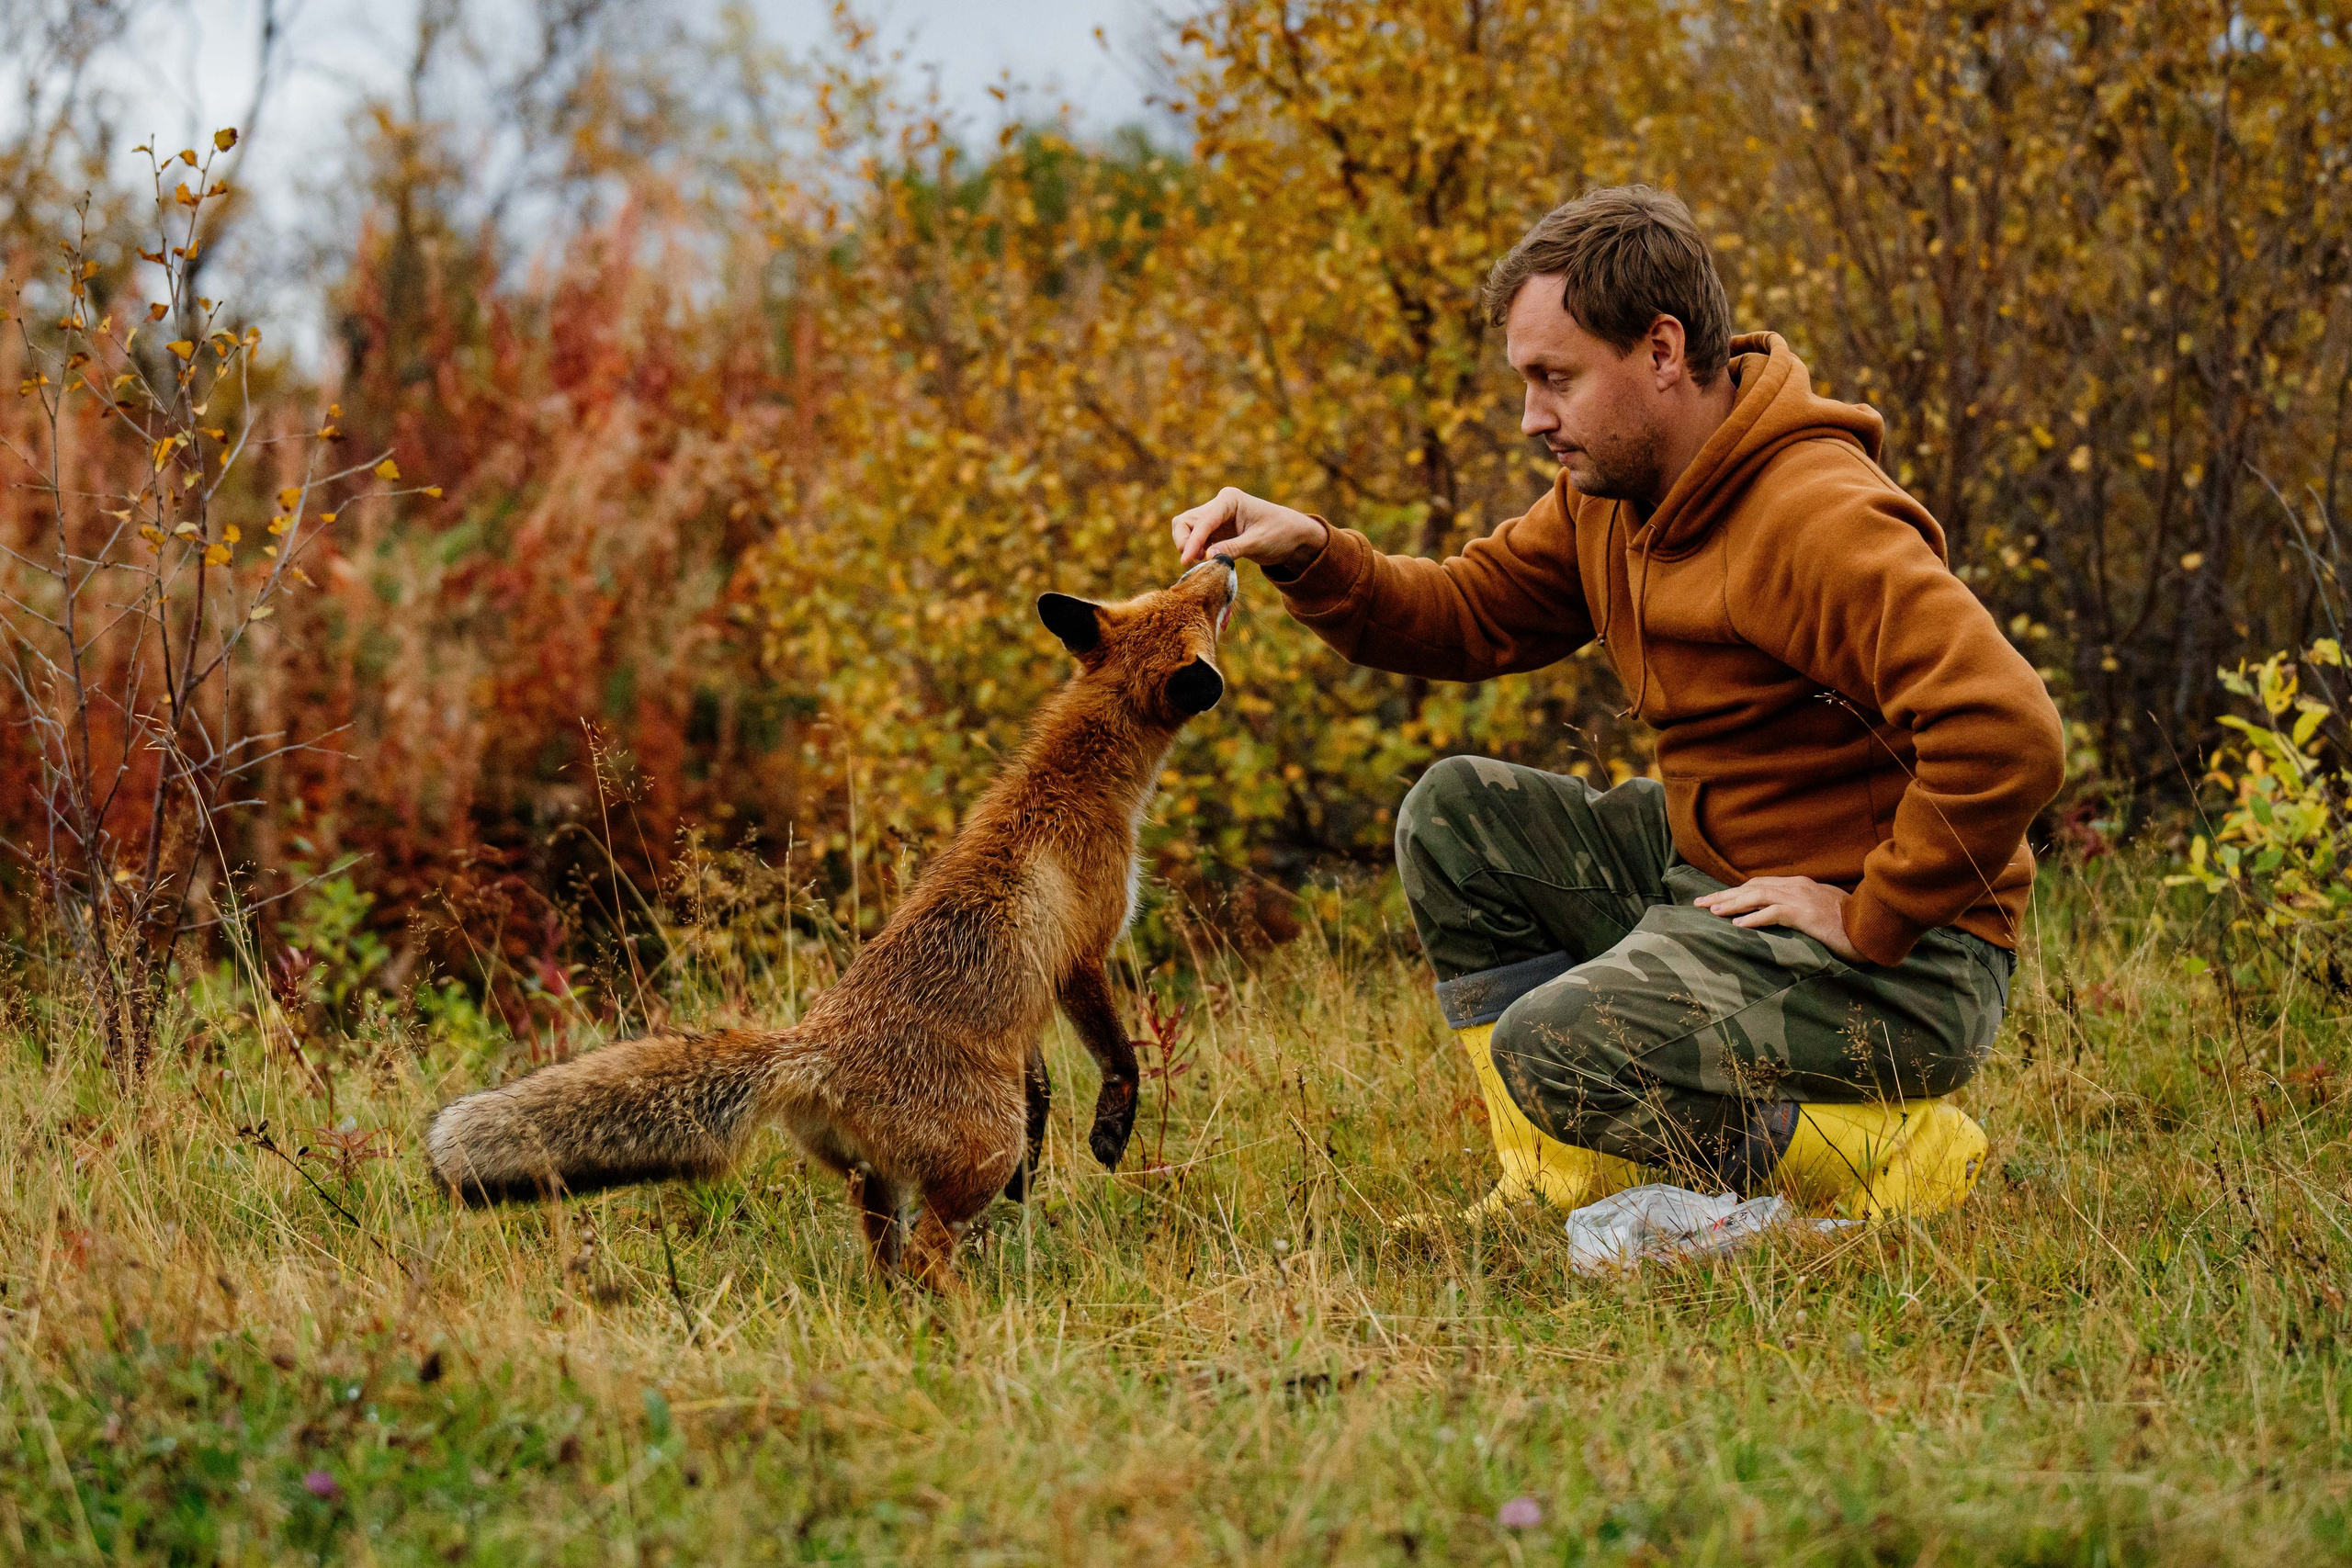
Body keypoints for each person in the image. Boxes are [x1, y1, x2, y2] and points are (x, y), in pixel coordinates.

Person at [1171, 186, 2065, 1222]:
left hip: (1907, 969)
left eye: (1555, 378)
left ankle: (1892, 1153)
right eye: (1526, 381)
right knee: (1458, 816)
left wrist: (1875, 915)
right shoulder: (1614, 498)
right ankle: (1552, 1171)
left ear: (1661, 350)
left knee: (1556, 1049)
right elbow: (1467, 613)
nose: (1532, 417)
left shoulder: (1815, 517)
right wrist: (1309, 551)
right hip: (1722, 878)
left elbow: (2004, 727)